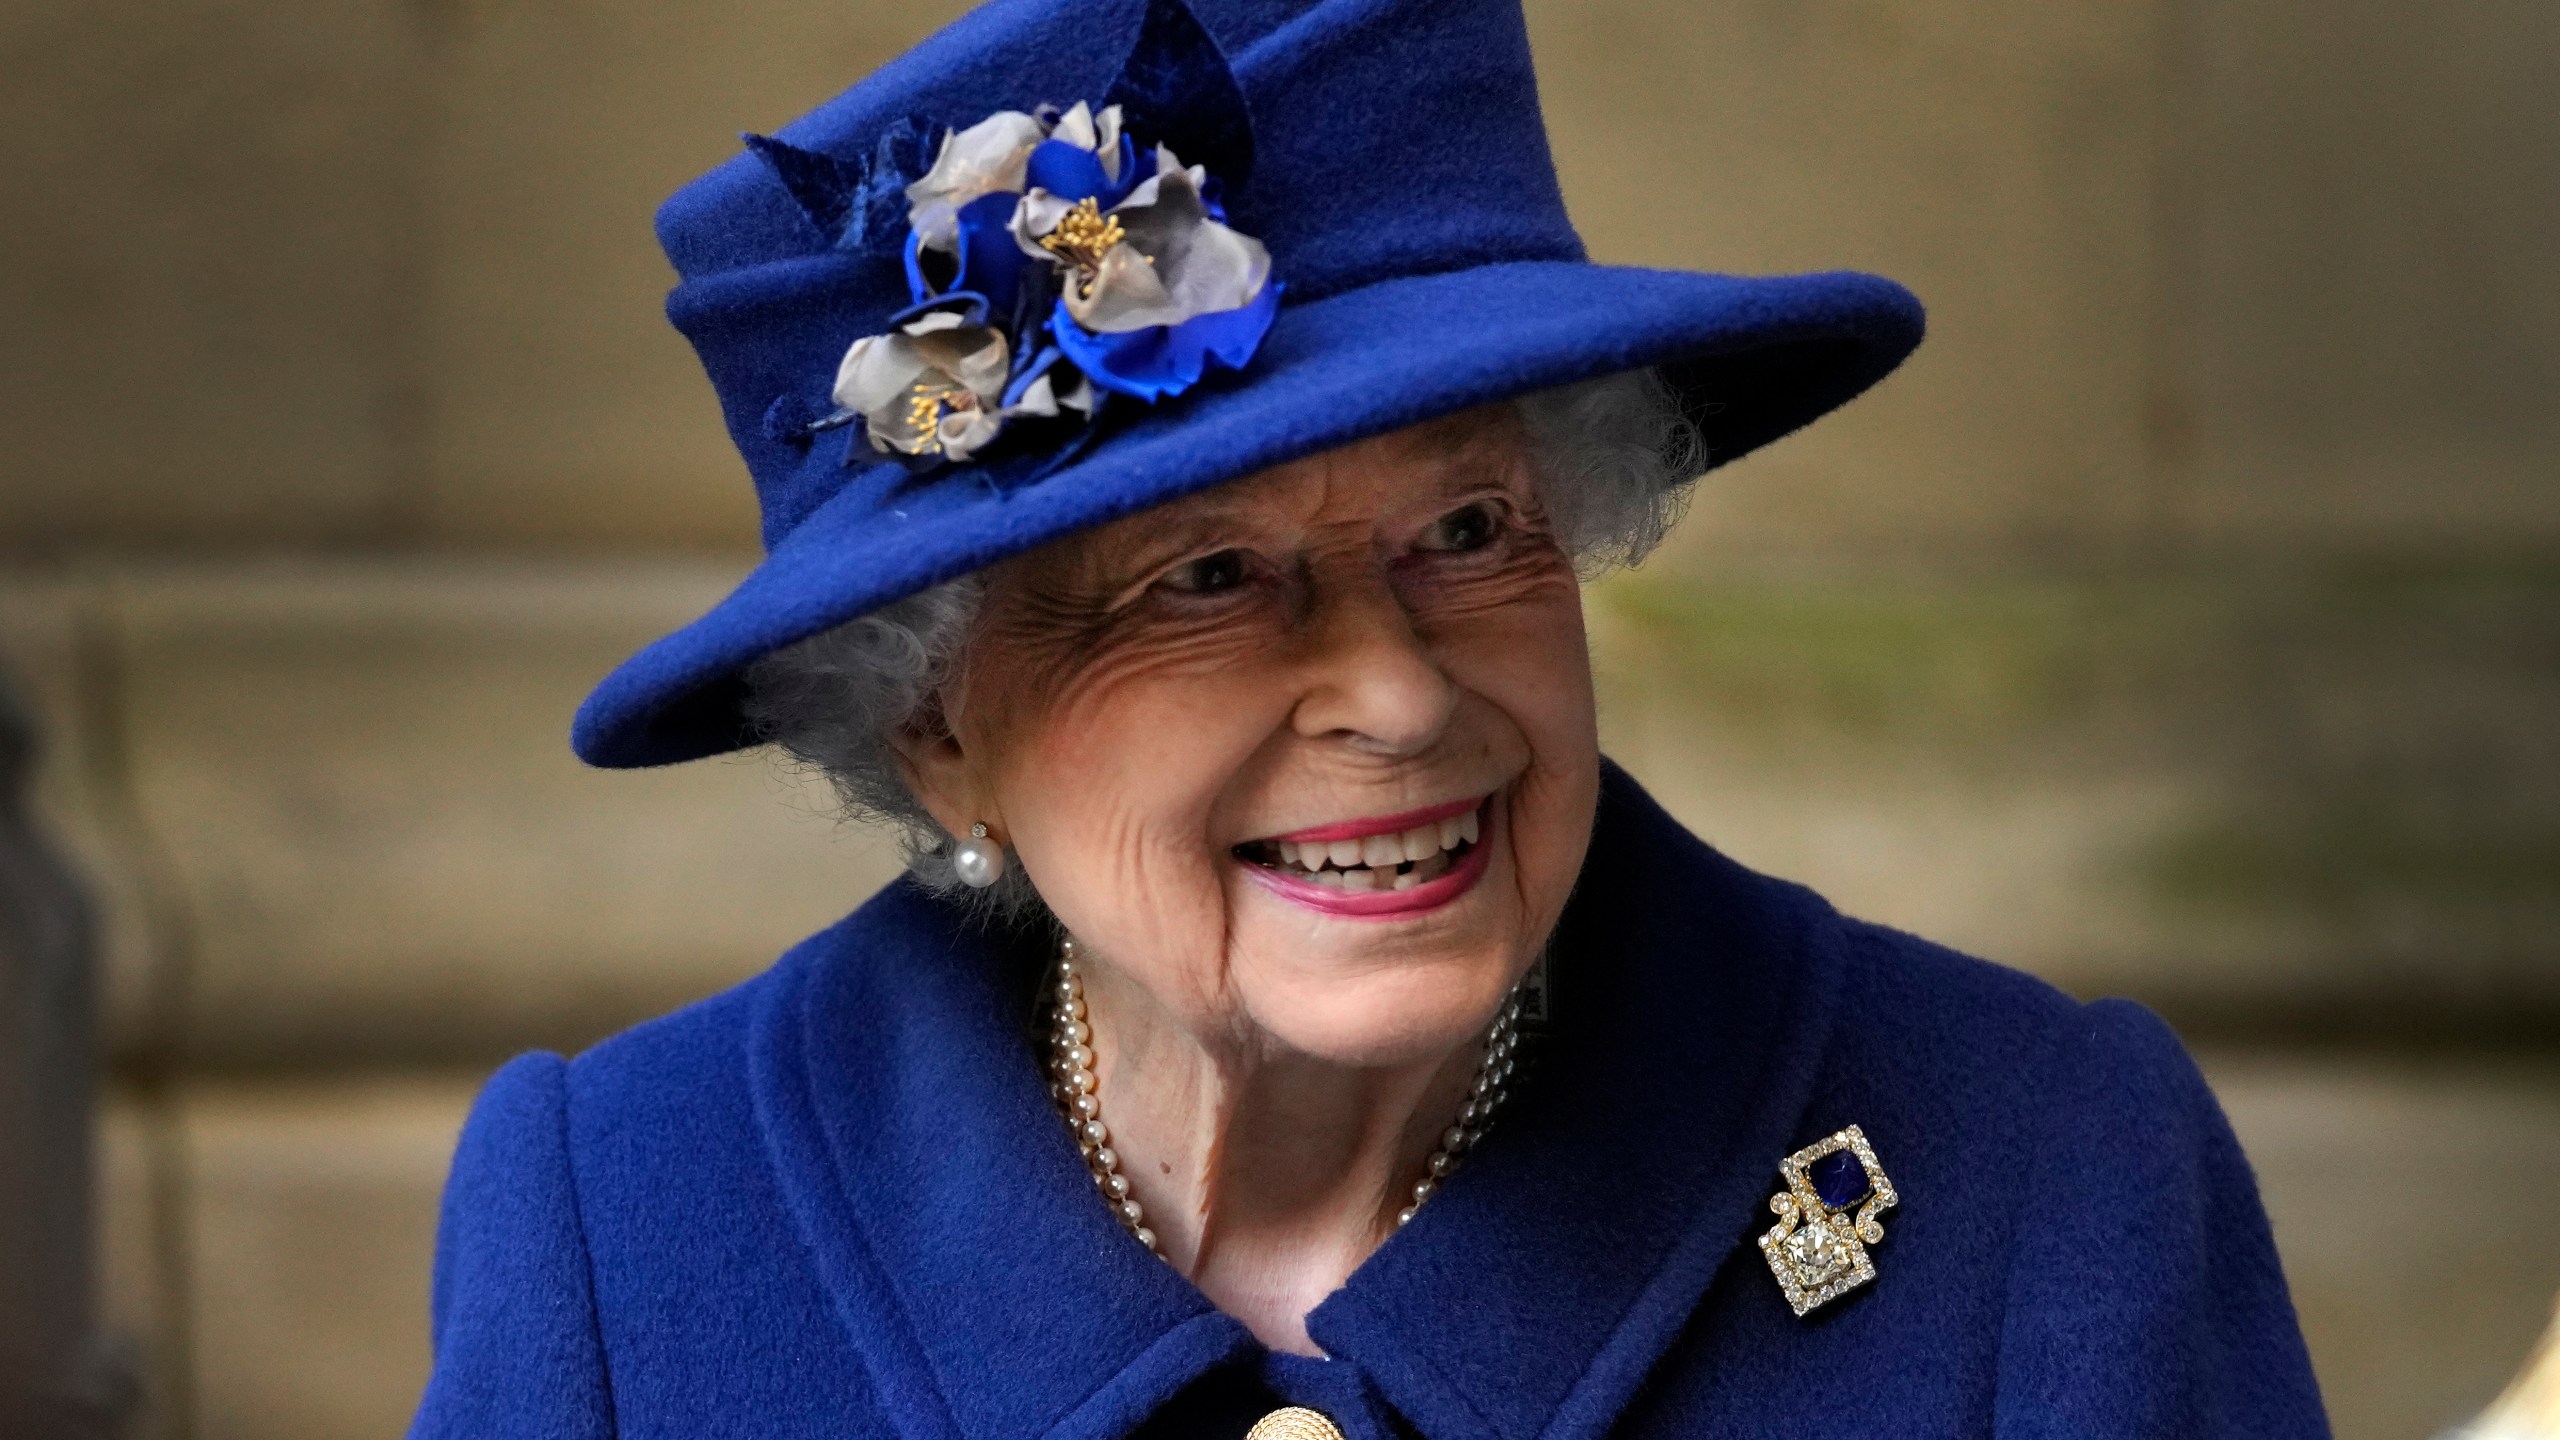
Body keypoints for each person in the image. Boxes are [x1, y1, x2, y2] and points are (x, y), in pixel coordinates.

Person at [410, 0, 2330, 1435]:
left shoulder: (2042, 1184)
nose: (1404, 692)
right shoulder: (632, 1229)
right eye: (1207, 581)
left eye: (1475, 531)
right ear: (935, 724)